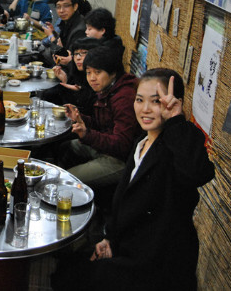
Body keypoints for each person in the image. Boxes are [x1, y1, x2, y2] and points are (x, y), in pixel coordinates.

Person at [52, 68, 215, 291]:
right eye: (139, 100)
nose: (145, 109)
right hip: (128, 248)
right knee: (65, 269)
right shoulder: (141, 142)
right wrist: (109, 239)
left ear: (175, 103)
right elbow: (123, 198)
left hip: (158, 264)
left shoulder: (177, 145)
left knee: (70, 278)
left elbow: (198, 173)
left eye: (156, 101)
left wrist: (176, 121)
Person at [60, 46, 140, 189]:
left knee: (66, 179)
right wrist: (79, 117)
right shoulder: (108, 88)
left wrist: (87, 134)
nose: (92, 78)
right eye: (88, 72)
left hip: (120, 160)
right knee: (65, 147)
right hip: (107, 148)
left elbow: (122, 145)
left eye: (98, 72)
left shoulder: (124, 97)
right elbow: (102, 124)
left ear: (113, 72)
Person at [42, 37, 101, 115]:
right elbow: (68, 104)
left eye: (84, 53)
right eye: (76, 54)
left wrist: (81, 91)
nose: (78, 58)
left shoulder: (99, 76)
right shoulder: (76, 72)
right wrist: (65, 80)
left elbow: (87, 109)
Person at [41, 0, 90, 67]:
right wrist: (54, 32)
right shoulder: (66, 22)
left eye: (66, 6)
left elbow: (65, 56)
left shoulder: (79, 30)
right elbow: (62, 43)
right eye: (58, 7)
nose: (61, 11)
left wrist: (51, 36)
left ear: (75, 7)